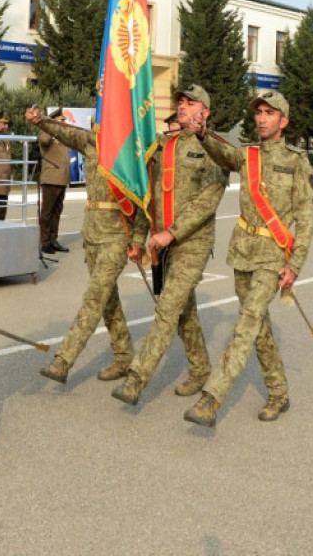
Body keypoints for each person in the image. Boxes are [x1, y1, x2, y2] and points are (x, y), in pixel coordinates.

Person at [180, 89, 313, 428]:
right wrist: (202, 134)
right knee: (257, 328)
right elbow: (223, 153)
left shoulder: (297, 161)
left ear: (283, 121)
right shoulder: (248, 155)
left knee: (247, 322)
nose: (261, 118)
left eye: (269, 113)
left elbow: (306, 217)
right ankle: (279, 392)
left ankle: (212, 398)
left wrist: (294, 266)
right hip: (243, 252)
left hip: (273, 256)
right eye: (258, 112)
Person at [112, 85, 225, 407]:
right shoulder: (163, 145)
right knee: (183, 311)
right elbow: (149, 197)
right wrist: (138, 239)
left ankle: (136, 379)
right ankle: (201, 369)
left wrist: (171, 234)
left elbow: (207, 202)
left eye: (191, 103)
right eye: (181, 102)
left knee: (167, 309)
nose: (183, 107)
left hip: (192, 241)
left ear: (205, 111)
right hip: (162, 242)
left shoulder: (212, 148)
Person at [29, 106, 140, 385]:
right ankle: (124, 355)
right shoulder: (91, 142)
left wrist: (138, 239)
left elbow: (143, 200)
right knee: (107, 300)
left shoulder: (132, 151)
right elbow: (64, 132)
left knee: (93, 298)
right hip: (92, 234)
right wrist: (41, 120)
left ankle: (63, 360)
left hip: (117, 235)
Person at [37, 108, 71, 254]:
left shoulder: (61, 136)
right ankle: (44, 242)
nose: (63, 123)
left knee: (57, 212)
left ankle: (53, 240)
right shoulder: (46, 133)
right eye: (60, 120)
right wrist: (51, 127)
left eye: (63, 120)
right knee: (47, 212)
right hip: (51, 178)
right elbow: (43, 141)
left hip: (62, 178)